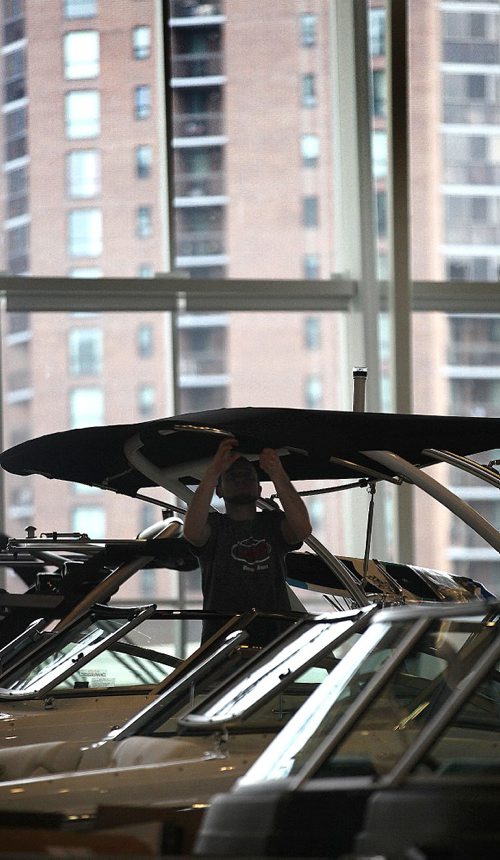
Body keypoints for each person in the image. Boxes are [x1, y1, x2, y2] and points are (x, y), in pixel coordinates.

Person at [183, 437, 312, 644]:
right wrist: (213, 472)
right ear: (219, 490)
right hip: (222, 642)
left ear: (260, 490)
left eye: (248, 476)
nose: (240, 479)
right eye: (232, 476)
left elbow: (302, 529)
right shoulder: (215, 526)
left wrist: (278, 474)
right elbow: (191, 532)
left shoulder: (273, 522)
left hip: (275, 640)